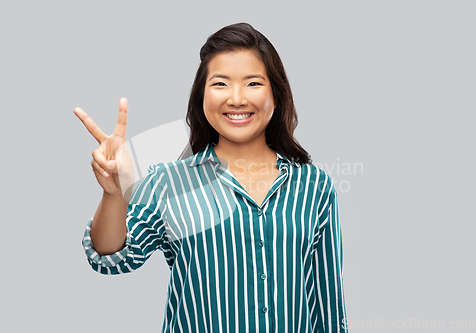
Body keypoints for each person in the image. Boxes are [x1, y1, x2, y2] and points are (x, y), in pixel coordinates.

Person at [74, 22, 348, 333]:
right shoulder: (169, 182)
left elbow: (329, 308)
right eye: (220, 84)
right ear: (201, 97)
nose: (236, 99)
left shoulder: (314, 186)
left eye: (253, 84)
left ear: (276, 94)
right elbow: (111, 258)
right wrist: (114, 194)